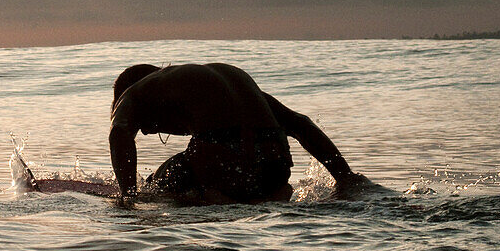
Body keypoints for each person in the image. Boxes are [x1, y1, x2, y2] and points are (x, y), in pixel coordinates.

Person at [109, 63, 366, 205]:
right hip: (274, 170)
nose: (147, 130)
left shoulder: (136, 92)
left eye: (148, 127)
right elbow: (301, 124)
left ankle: (212, 196)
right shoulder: (216, 83)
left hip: (226, 166)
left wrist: (129, 197)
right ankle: (262, 194)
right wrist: (345, 178)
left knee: (162, 179)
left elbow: (118, 132)